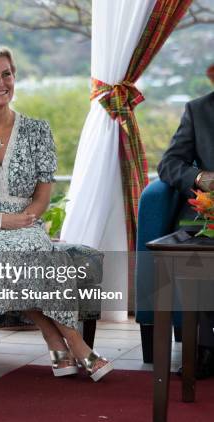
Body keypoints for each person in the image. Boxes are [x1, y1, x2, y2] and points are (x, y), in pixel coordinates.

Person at [0, 46, 113, 382]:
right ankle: (74, 343)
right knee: (11, 253)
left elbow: (43, 194)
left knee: (34, 250)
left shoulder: (37, 131)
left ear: (14, 78)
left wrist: (23, 220)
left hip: (25, 223)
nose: (0, 83)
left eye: (7, 74)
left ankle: (55, 343)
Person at [158, 63, 214, 380]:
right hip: (209, 214)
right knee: (194, 253)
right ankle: (206, 348)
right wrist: (199, 177)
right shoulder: (198, 110)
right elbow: (169, 164)